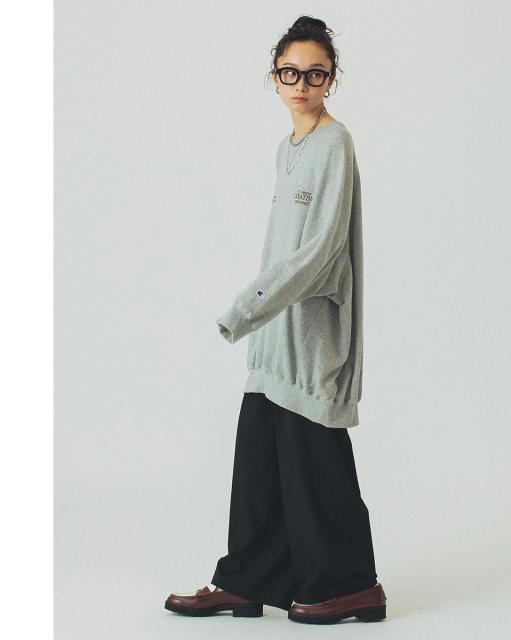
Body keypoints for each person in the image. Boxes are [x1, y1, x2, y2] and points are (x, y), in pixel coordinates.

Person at [164, 15, 387, 625]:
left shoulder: (335, 144)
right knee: (260, 463)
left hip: (311, 338)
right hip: (276, 338)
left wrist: (247, 306)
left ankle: (353, 587)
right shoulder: (289, 148)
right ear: (274, 76)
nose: (302, 84)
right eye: (291, 72)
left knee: (317, 466)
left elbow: (319, 253)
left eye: (315, 74)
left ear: (331, 79)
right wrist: (262, 321)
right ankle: (247, 581)